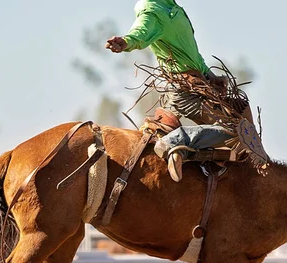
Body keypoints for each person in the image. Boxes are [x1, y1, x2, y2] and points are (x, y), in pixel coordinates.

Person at [106, 0, 259, 181]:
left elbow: (193, 55)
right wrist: (125, 42)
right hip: (185, 91)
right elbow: (140, 32)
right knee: (240, 134)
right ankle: (177, 141)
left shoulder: (171, 7)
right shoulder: (153, 10)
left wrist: (209, 75)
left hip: (194, 85)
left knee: (242, 117)